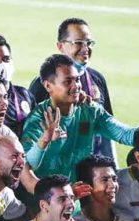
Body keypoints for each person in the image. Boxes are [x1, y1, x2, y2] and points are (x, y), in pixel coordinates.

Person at [22, 55, 139, 182]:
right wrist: (44, 140)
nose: (76, 86)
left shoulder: (90, 111)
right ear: (48, 86)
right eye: (67, 81)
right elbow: (28, 164)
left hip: (81, 195)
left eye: (77, 80)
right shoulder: (38, 119)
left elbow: (125, 135)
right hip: (48, 200)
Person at [29, 18, 114, 157]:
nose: (86, 48)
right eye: (78, 43)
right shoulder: (43, 84)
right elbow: (30, 132)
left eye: (89, 43)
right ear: (60, 46)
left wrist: (111, 165)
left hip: (92, 165)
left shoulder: (97, 79)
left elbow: (107, 130)